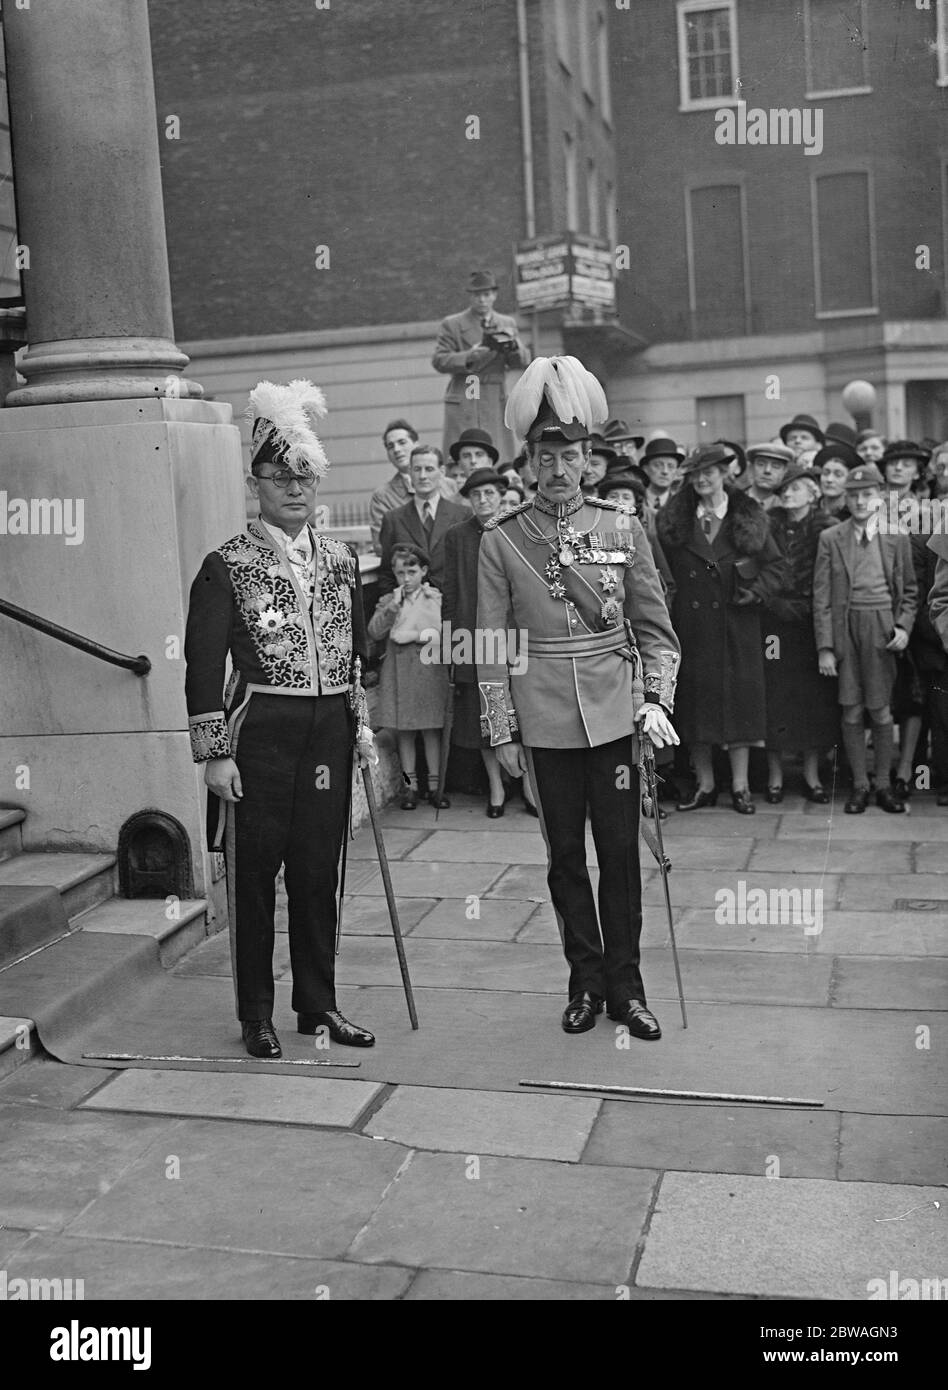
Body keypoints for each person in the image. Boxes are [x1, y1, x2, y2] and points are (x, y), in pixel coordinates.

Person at [476, 356, 681, 1039]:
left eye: (569, 455)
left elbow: (656, 631)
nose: (558, 468)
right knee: (564, 857)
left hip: (617, 713)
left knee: (621, 854)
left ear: (588, 458)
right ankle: (584, 982)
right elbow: (492, 645)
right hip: (544, 719)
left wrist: (657, 700)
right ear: (529, 460)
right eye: (545, 455)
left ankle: (627, 986)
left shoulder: (619, 528)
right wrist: (501, 731)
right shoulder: (502, 541)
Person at [184, 379, 376, 1059]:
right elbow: (203, 668)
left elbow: (357, 653)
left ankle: (318, 1005)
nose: (295, 489)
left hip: (328, 734)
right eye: (280, 476)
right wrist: (215, 752)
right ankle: (255, 1013)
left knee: (318, 873)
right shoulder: (225, 565)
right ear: (256, 482)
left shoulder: (345, 561)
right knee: (256, 876)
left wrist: (361, 728)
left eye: (306, 477)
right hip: (260, 734)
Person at [657, 443, 788, 814]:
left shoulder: (748, 515)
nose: (701, 480)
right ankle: (706, 785)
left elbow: (776, 567)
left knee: (740, 703)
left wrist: (756, 592)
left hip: (737, 624)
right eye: (695, 474)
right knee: (696, 705)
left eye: (709, 472)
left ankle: (742, 787)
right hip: (692, 627)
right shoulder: (675, 518)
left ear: (725, 473)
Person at [813, 464, 918, 814]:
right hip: (846, 630)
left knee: (881, 709)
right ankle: (859, 785)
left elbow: (910, 592)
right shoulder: (831, 538)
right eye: (854, 495)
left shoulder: (896, 536)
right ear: (845, 497)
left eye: (867, 494)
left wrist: (902, 627)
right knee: (853, 709)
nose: (860, 501)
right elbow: (822, 597)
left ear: (880, 497)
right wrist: (826, 647)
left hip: (881, 629)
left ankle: (884, 785)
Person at [442, 467, 537, 817]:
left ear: (501, 495)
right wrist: (451, 642)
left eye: (490, 494)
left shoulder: (518, 529)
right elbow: (450, 592)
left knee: (521, 709)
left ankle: (527, 785)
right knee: (480, 713)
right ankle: (496, 787)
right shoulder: (457, 536)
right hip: (472, 634)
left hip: (515, 633)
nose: (483, 500)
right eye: (476, 495)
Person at [761, 465, 840, 803]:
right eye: (784, 490)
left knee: (813, 699)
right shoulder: (767, 526)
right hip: (773, 624)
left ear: (813, 493)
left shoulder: (827, 528)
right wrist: (773, 600)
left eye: (796, 489)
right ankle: (775, 775)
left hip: (812, 623)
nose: (788, 495)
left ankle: (811, 775)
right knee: (774, 695)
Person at [368, 543, 450, 810]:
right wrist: (392, 607)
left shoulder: (434, 598)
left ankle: (437, 788)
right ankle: (410, 786)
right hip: (399, 671)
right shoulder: (390, 600)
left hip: (428, 669)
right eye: (401, 573)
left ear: (423, 571)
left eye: (412, 572)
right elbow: (375, 631)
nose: (406, 579)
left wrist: (413, 635)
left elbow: (443, 631)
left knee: (430, 730)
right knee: (404, 732)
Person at [432, 269, 530, 461]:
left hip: (493, 390)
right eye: (477, 295)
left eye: (486, 294)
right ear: (470, 296)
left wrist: (515, 348)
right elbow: (439, 359)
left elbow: (521, 361)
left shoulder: (506, 323)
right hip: (469, 384)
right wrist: (469, 356)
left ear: (494, 295)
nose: (482, 300)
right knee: (468, 444)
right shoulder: (453, 324)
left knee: (497, 449)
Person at [377, 444, 468, 596]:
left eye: (429, 469)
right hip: (411, 612)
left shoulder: (462, 515)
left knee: (448, 622)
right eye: (417, 469)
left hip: (448, 611)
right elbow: (386, 573)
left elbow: (467, 570)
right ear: (410, 473)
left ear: (442, 472)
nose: (423, 476)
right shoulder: (393, 519)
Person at [369, 419, 459, 553]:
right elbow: (381, 545)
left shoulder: (449, 485)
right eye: (390, 446)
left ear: (416, 444)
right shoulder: (382, 496)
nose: (397, 450)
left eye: (402, 442)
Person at [813, 437, 859, 522]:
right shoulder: (810, 510)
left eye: (838, 475)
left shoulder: (856, 514)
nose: (829, 480)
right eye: (825, 473)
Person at [637, 436, 684, 514]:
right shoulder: (634, 503)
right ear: (645, 469)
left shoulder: (682, 506)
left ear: (676, 472)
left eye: (671, 466)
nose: (665, 471)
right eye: (658, 465)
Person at [744, 441, 793, 510]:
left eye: (776, 466)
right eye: (761, 464)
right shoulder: (732, 501)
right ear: (751, 468)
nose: (767, 470)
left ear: (784, 472)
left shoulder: (788, 507)